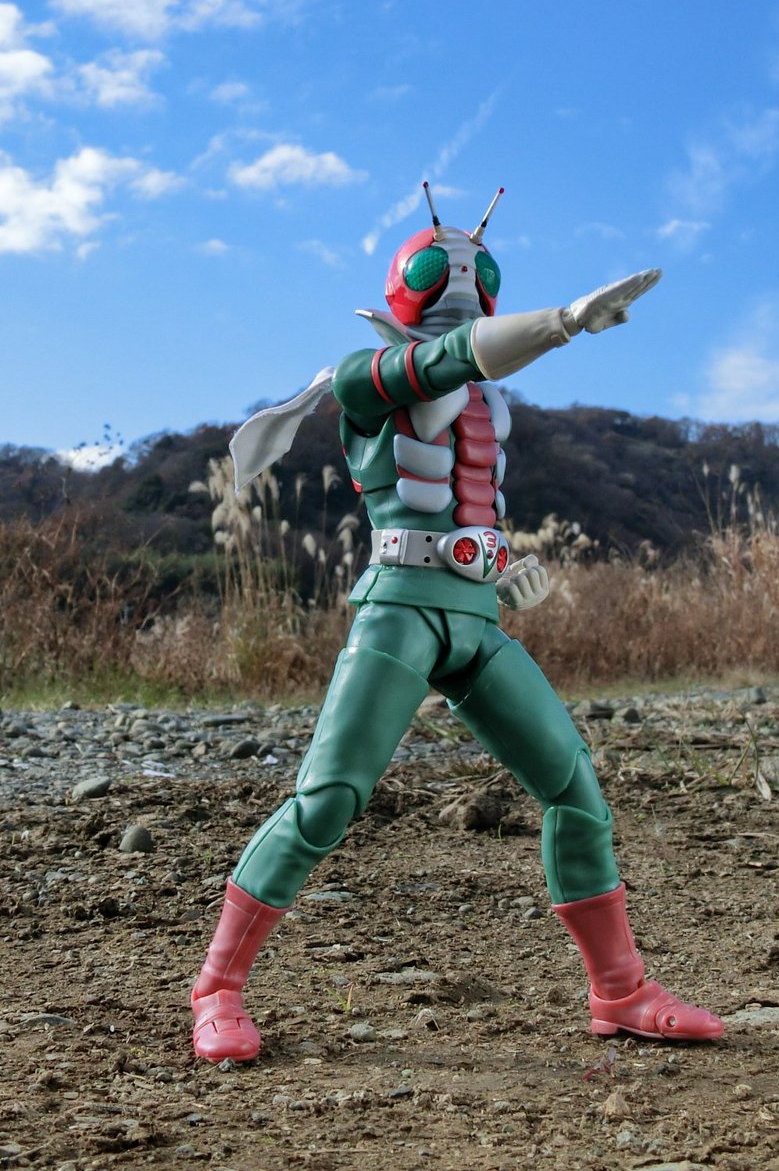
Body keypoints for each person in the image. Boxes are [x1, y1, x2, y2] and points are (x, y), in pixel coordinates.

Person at [191, 185, 724, 1062]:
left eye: (479, 270)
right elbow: (447, 361)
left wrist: (503, 566)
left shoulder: (487, 404)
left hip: (474, 616)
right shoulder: (364, 378)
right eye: (443, 265)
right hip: (398, 612)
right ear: (405, 280)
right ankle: (216, 988)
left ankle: (621, 990)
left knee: (574, 789)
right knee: (327, 802)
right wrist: (566, 322)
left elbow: (470, 496)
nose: (464, 283)